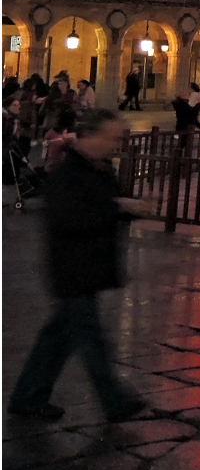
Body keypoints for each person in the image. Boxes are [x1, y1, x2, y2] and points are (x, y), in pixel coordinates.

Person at [8, 109, 157, 421]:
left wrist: (129, 208)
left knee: (58, 336)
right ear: (91, 136)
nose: (116, 144)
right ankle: (114, 400)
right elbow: (72, 219)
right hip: (73, 268)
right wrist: (117, 208)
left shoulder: (97, 168)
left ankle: (28, 397)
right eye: (111, 137)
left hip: (86, 266)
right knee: (91, 338)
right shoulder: (68, 174)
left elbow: (105, 206)